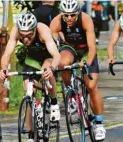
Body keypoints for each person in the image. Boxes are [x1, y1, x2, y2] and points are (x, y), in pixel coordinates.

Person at [0, 13, 61, 141]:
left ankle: (54, 101)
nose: (25, 39)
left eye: (28, 36)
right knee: (28, 91)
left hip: (48, 55)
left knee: (46, 71)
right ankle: (30, 133)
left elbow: (56, 56)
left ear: (34, 30)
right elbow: (6, 54)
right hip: (32, 58)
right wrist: (4, 68)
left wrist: (52, 69)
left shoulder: (42, 30)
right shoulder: (16, 31)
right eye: (22, 36)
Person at [50, 0, 106, 140]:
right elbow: (53, 44)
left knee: (92, 86)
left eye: (73, 15)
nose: (69, 18)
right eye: (66, 15)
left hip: (86, 50)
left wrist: (86, 62)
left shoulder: (86, 20)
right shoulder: (56, 22)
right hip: (70, 48)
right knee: (63, 63)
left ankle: (99, 123)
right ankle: (72, 94)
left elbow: (92, 47)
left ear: (78, 13)